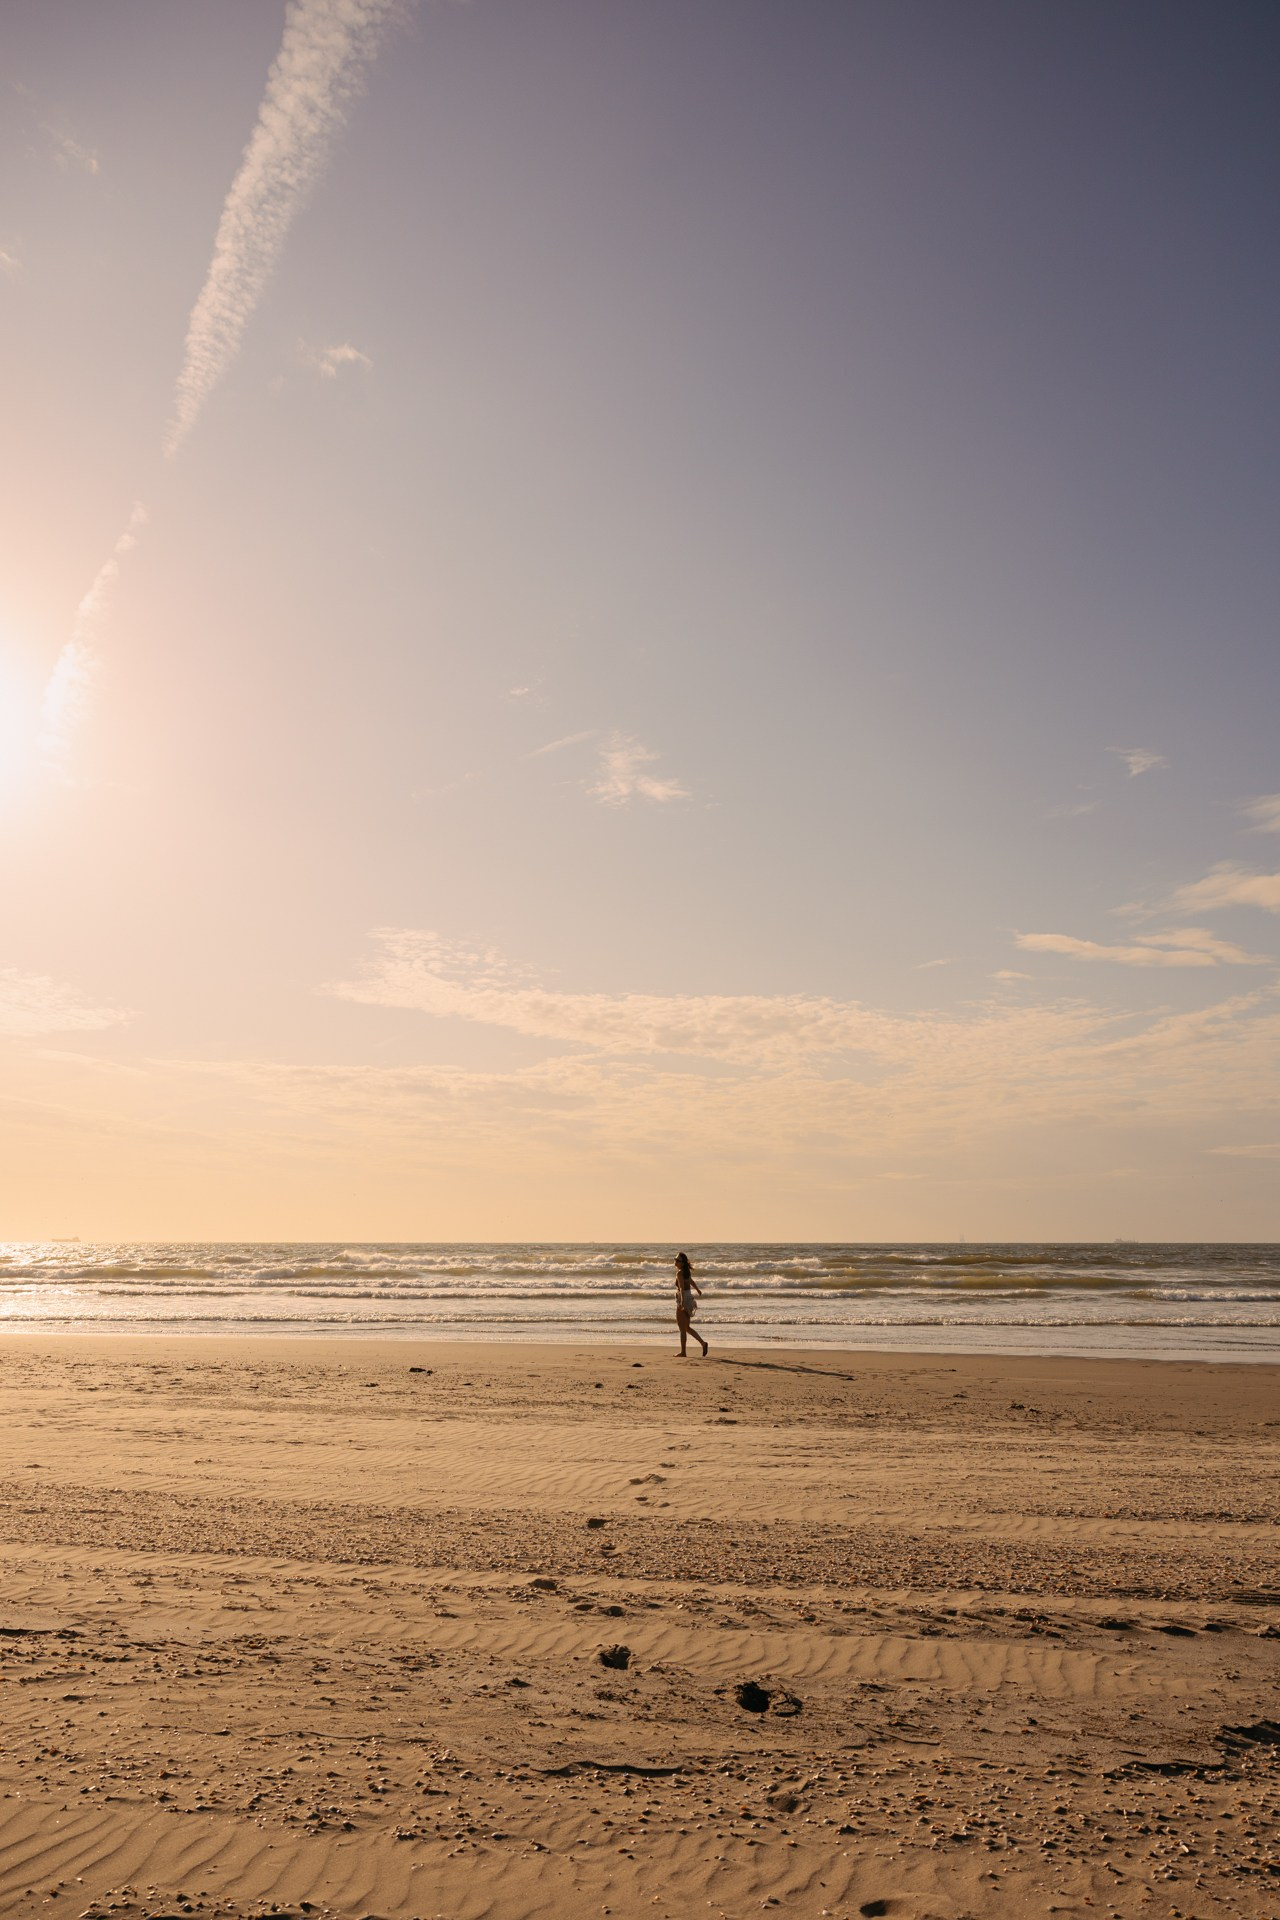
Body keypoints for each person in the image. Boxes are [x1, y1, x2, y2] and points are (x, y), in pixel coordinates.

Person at [674, 1251, 708, 1358]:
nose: (675, 1262)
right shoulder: (686, 1272)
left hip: (683, 1298)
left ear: (682, 1263)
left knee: (682, 1328)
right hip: (689, 1298)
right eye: (675, 1259)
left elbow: (682, 1288)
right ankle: (703, 1343)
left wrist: (682, 1303)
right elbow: (690, 1281)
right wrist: (697, 1289)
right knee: (687, 1327)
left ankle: (683, 1352)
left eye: (677, 1260)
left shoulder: (679, 1273)